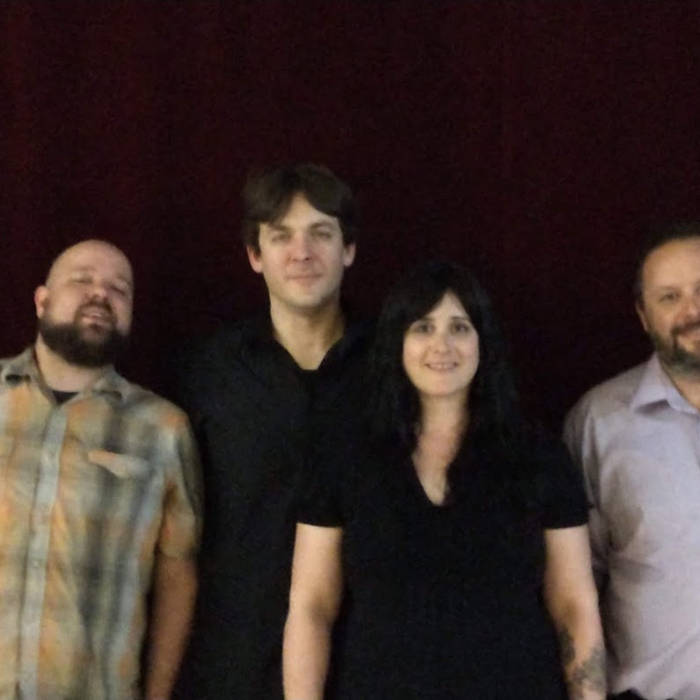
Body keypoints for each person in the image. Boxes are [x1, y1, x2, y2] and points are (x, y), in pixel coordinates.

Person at [284, 260, 605, 699]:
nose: (442, 345)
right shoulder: (344, 456)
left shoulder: (539, 457)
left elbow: (574, 606)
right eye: (423, 327)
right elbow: (312, 606)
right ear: (397, 341)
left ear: (482, 342)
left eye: (459, 327)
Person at [171, 164, 373, 699]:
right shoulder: (208, 372)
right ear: (254, 255)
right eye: (281, 236)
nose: (301, 252)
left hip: (369, 662)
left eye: (321, 233)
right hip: (234, 663)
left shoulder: (396, 368)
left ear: (349, 249)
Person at [0, 240, 202, 700]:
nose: (101, 294)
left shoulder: (163, 429)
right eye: (82, 280)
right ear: (41, 300)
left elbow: (177, 576)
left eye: (119, 289)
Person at [564, 222, 700, 700]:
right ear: (643, 315)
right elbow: (574, 591)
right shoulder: (598, 423)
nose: (692, 311)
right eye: (669, 297)